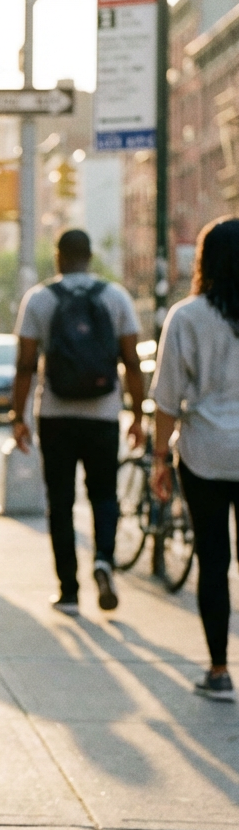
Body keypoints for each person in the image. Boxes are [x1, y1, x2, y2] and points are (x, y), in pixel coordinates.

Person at [12, 228, 144, 616]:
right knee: (105, 494)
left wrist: (18, 418)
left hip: (55, 415)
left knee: (61, 502)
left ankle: (68, 590)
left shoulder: (39, 298)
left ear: (59, 257)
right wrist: (137, 414)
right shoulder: (115, 296)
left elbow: (25, 366)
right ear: (89, 257)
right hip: (104, 414)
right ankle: (104, 559)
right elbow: (132, 362)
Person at [151, 217, 239, 701]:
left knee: (213, 560)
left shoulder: (187, 316)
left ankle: (220, 670)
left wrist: (160, 460)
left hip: (204, 453)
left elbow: (166, 399)